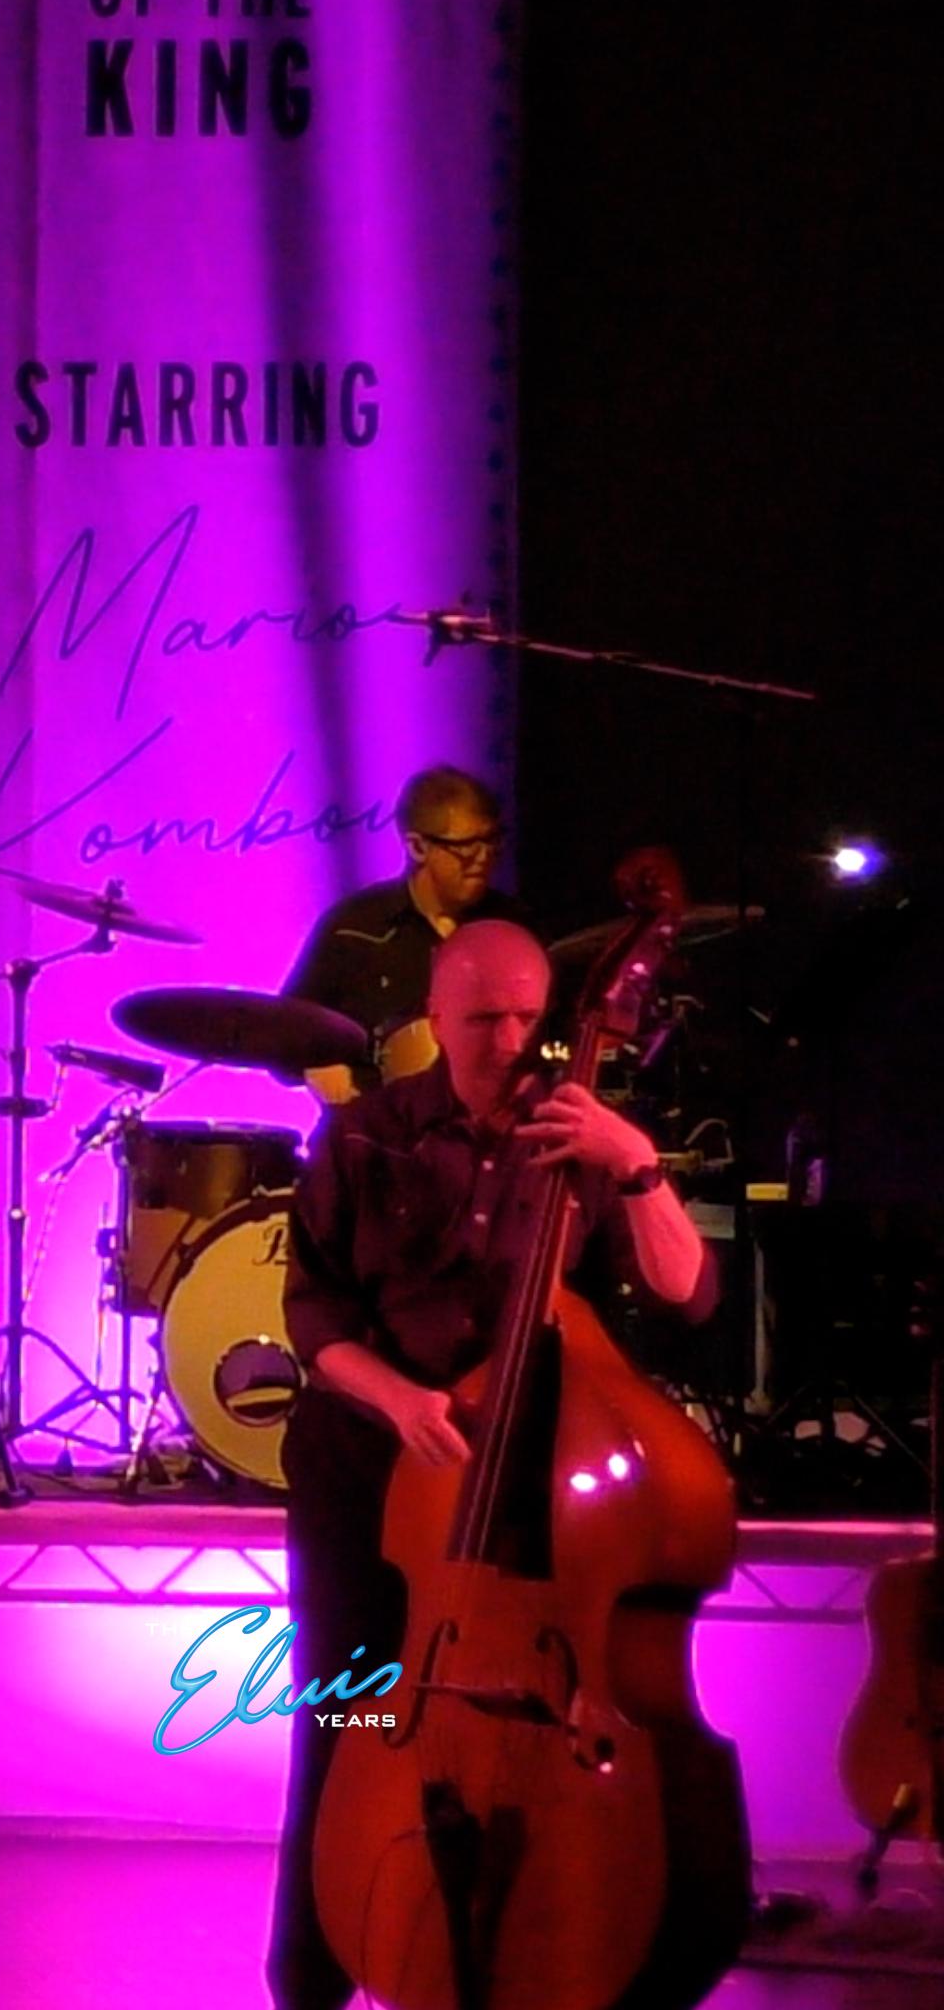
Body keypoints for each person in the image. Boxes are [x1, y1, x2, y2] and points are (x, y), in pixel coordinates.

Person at [266, 919, 718, 2010]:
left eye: (528, 1018)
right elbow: (312, 1311)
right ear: (434, 1016)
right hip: (370, 1463)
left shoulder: (584, 1135)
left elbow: (686, 1296)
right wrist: (401, 1398)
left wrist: (641, 1171)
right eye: (484, 1020)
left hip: (514, 1477)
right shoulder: (365, 1135)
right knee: (353, 1711)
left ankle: (525, 1942)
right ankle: (319, 1967)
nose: (511, 1041)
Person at [285, 764, 527, 1101]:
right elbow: (282, 1038)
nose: (484, 858)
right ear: (417, 847)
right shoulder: (354, 928)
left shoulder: (513, 929)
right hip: (371, 1130)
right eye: (468, 846)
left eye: (491, 841)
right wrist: (314, 1066)